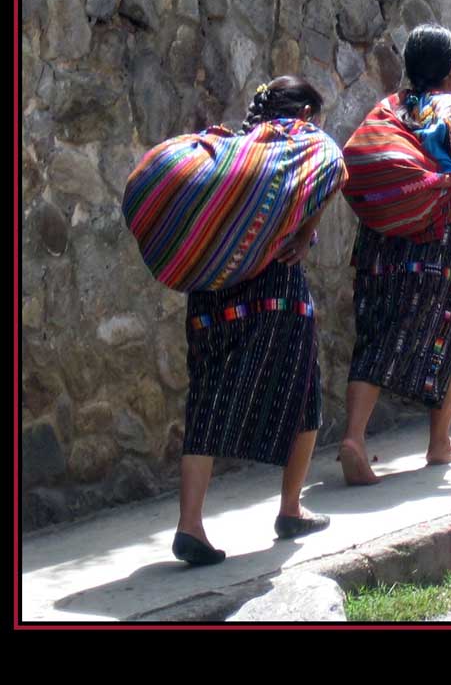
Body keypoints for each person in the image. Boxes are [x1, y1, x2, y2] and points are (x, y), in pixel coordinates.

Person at [172, 76, 343, 564]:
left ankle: (190, 525)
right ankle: (290, 508)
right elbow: (337, 174)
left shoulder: (232, 154)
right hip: (273, 294)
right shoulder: (296, 149)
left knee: (206, 402)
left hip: (208, 298)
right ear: (305, 114)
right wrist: (307, 232)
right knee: (304, 393)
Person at [338, 24, 451, 485]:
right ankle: (438, 441)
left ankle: (357, 435)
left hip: (377, 243)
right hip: (434, 244)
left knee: (376, 335)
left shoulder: (387, 109)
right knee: (446, 334)